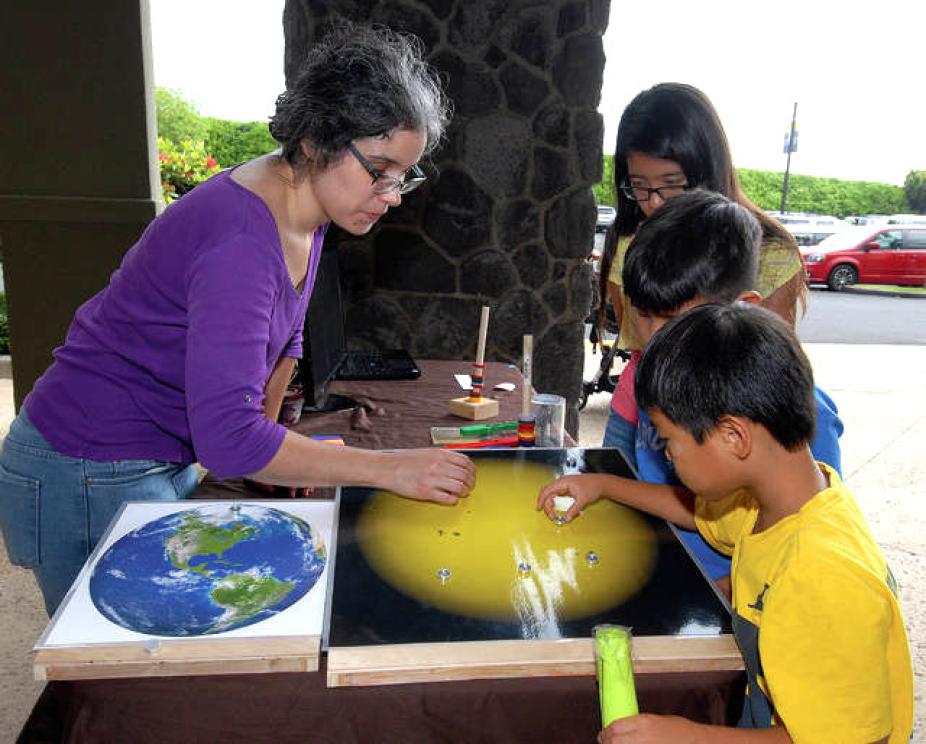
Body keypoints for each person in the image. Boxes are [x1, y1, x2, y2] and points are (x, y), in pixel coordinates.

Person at [0, 23, 475, 616]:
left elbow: (286, 342)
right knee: (129, 667)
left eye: (403, 174)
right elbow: (227, 440)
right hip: (87, 462)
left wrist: (270, 450)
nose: (393, 193)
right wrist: (387, 468)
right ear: (315, 140)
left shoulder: (307, 205)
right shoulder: (240, 243)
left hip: (152, 451)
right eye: (378, 169)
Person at [545, 303, 913, 742]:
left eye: (669, 442)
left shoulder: (822, 574)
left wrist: (691, 737)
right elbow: (693, 513)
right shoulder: (775, 499)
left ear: (733, 436)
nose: (666, 457)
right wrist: (605, 485)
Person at [623, 190, 843, 584]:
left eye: (673, 318)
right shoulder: (665, 381)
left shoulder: (798, 415)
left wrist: (719, 603)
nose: (656, 337)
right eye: (643, 315)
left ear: (742, 307)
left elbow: (803, 549)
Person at [598, 83, 805, 469]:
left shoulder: (773, 254)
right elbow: (638, 338)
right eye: (639, 187)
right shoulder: (628, 241)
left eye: (672, 184)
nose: (654, 203)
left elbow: (769, 369)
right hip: (640, 412)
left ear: (708, 169)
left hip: (720, 429)